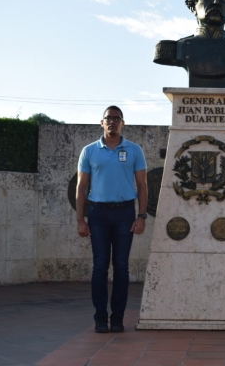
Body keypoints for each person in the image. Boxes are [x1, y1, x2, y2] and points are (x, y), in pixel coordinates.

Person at [76, 106, 148, 333]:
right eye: (109, 118)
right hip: (97, 214)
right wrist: (81, 219)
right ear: (101, 122)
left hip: (124, 214)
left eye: (117, 119)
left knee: (121, 267)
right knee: (99, 267)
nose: (112, 122)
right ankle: (100, 318)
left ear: (123, 123)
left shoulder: (134, 150)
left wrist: (141, 216)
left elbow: (143, 185)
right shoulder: (89, 151)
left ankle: (117, 318)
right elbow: (81, 187)